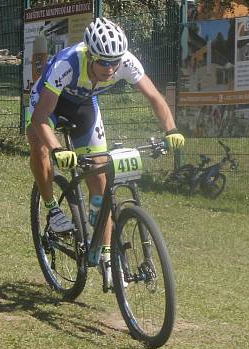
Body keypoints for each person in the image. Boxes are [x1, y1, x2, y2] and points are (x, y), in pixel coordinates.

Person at [26, 18, 185, 278]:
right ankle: (52, 208)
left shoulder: (125, 61)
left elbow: (155, 96)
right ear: (90, 55)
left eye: (115, 62)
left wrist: (171, 129)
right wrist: (57, 148)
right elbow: (40, 117)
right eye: (103, 62)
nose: (110, 69)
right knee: (38, 143)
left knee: (100, 174)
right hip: (50, 101)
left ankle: (105, 252)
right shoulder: (69, 63)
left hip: (84, 105)